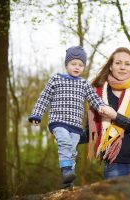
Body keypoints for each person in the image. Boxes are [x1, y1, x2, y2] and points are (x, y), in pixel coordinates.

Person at [28, 46, 108, 188]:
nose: (77, 67)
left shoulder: (84, 84)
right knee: (64, 143)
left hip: (76, 126)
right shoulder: (56, 79)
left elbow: (94, 98)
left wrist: (101, 106)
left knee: (72, 151)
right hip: (58, 122)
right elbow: (44, 97)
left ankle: (68, 181)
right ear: (66, 65)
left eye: (80, 65)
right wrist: (37, 114)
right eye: (73, 64)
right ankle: (66, 171)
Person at [86, 47, 130, 179]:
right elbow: (90, 131)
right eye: (118, 63)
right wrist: (67, 133)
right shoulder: (97, 94)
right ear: (111, 67)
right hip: (114, 165)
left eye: (127, 64)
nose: (122, 67)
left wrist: (116, 117)